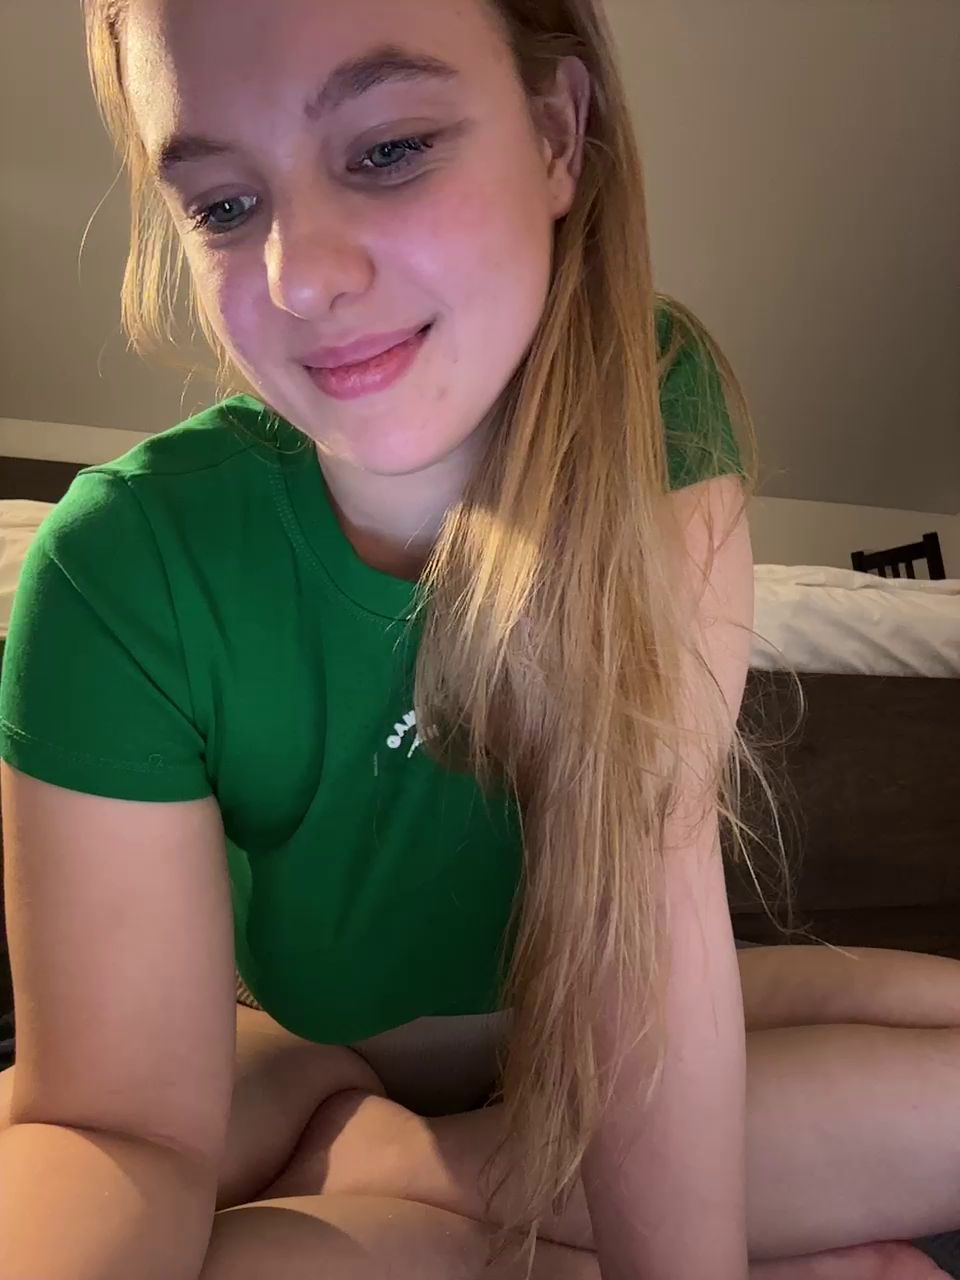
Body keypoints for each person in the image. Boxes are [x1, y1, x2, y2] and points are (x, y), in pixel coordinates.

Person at [0, 1, 957, 1277]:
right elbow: (110, 1123)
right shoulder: (123, 564)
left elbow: (640, 919)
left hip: (565, 1007)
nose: (301, 275)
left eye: (389, 149)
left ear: (559, 133)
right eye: (224, 205)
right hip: (312, 1037)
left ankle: (401, 1167)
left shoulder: (647, 404)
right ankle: (416, 1166)